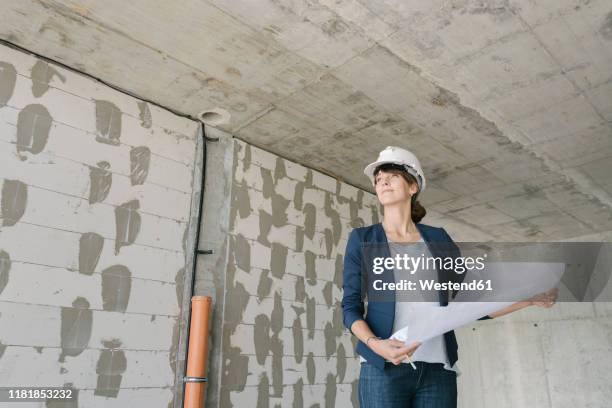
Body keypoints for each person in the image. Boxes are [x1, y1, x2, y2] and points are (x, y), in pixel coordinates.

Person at [341, 146, 557, 408]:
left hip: (437, 370)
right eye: (378, 179)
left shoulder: (437, 238)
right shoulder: (363, 239)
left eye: (392, 176)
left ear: (413, 187)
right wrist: (375, 345)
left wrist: (528, 300)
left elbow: (470, 302)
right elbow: (350, 307)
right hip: (383, 368)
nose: (382, 181)